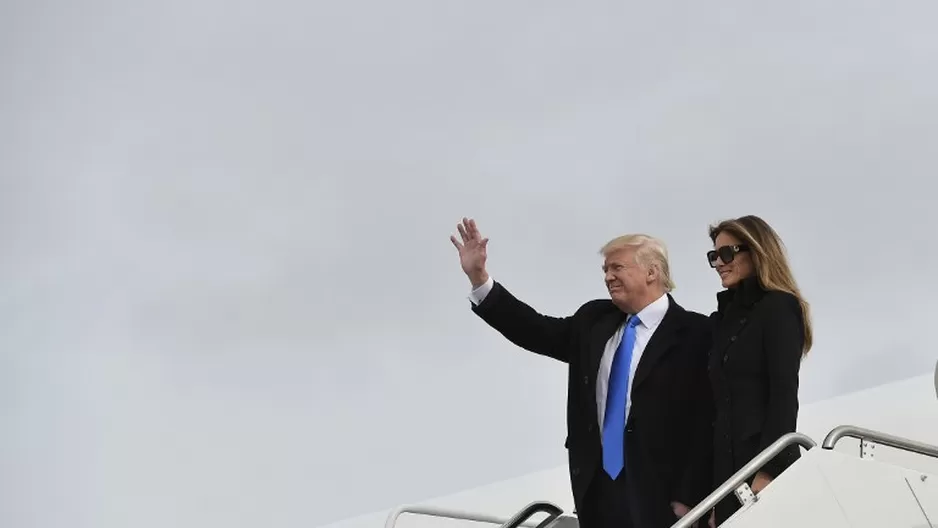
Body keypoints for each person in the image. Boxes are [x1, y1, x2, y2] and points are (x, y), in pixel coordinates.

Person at [449, 217, 714, 528]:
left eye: (617, 268)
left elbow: (707, 419)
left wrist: (690, 495)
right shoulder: (594, 320)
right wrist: (479, 278)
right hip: (598, 492)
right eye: (605, 270)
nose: (608, 277)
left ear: (652, 272)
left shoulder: (698, 332)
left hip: (663, 498)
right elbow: (535, 330)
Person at [704, 215, 813, 526]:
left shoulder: (779, 307)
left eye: (727, 253)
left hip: (763, 468)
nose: (719, 263)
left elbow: (783, 395)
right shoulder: (723, 321)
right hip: (728, 475)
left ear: (756, 251)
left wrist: (768, 471)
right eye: (713, 256)